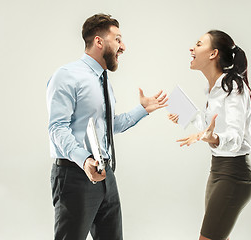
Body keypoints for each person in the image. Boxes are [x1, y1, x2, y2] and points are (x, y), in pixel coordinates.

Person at [46, 13, 167, 240]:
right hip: (74, 175)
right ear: (99, 41)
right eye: (118, 39)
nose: (123, 47)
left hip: (106, 175)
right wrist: (84, 160)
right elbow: (57, 128)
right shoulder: (67, 76)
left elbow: (109, 125)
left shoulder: (102, 80)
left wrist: (143, 110)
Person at [168, 30, 251, 240]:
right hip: (217, 171)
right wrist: (187, 115)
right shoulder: (215, 88)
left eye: (198, 44)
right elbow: (210, 126)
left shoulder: (233, 87)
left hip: (234, 175)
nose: (192, 48)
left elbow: (235, 140)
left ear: (213, 54)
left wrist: (213, 138)